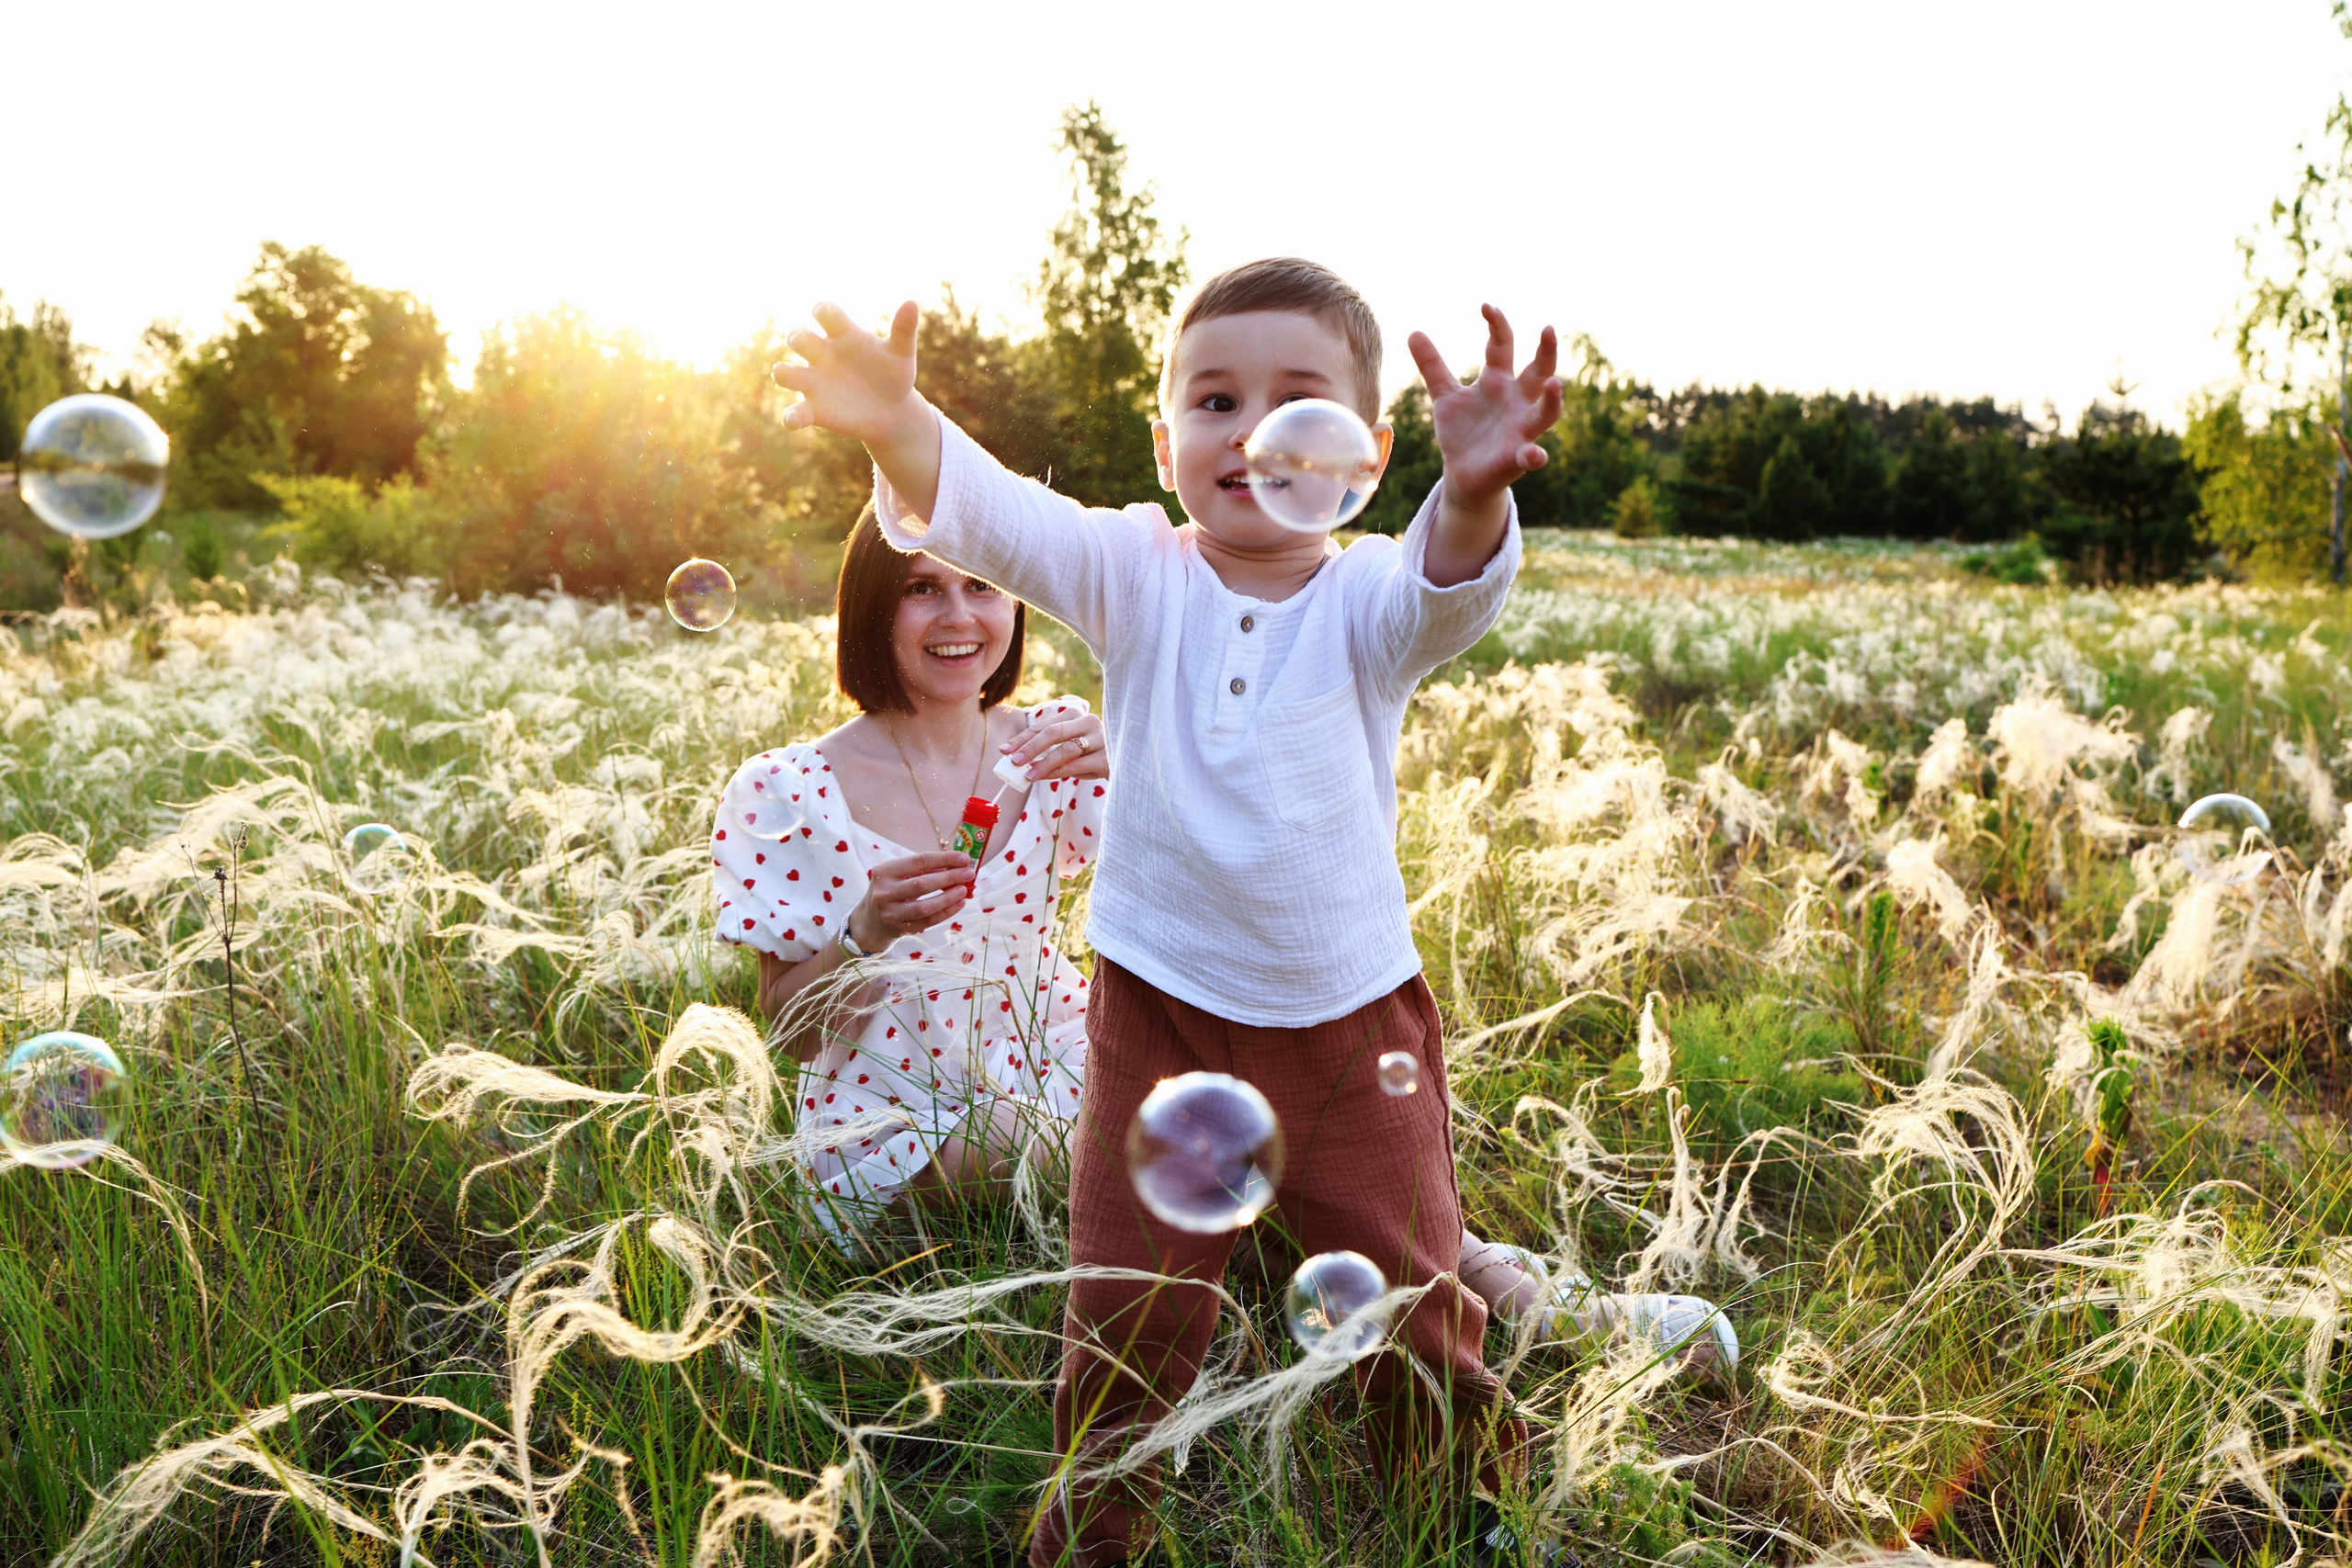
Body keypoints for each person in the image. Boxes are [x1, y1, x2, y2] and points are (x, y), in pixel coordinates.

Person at [770, 255, 1679, 1568]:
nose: (1251, 435)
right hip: (1159, 1019)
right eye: (1213, 401)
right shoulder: (1137, 574)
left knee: (1417, 1303)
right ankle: (1092, 1535)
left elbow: (1449, 588)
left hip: (1348, 1024)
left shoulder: (1367, 598)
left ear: (1366, 454)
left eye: (1296, 402)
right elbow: (1006, 520)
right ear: (1164, 441)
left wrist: (1472, 486)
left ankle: (1457, 1511)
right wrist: (901, 427)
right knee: (1126, 1316)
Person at [710, 509, 1706, 1365]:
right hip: (900, 1108)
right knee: (1200, 1158)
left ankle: (1528, 1304)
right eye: (921, 590)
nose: (960, 616)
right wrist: (870, 929)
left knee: (1262, 1137)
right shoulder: (790, 788)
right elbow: (795, 1032)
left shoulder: (1051, 742)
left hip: (1053, 1046)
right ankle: (1517, 1310)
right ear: (870, 606)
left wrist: (1149, 750)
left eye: (980, 583)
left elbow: (1217, 871)